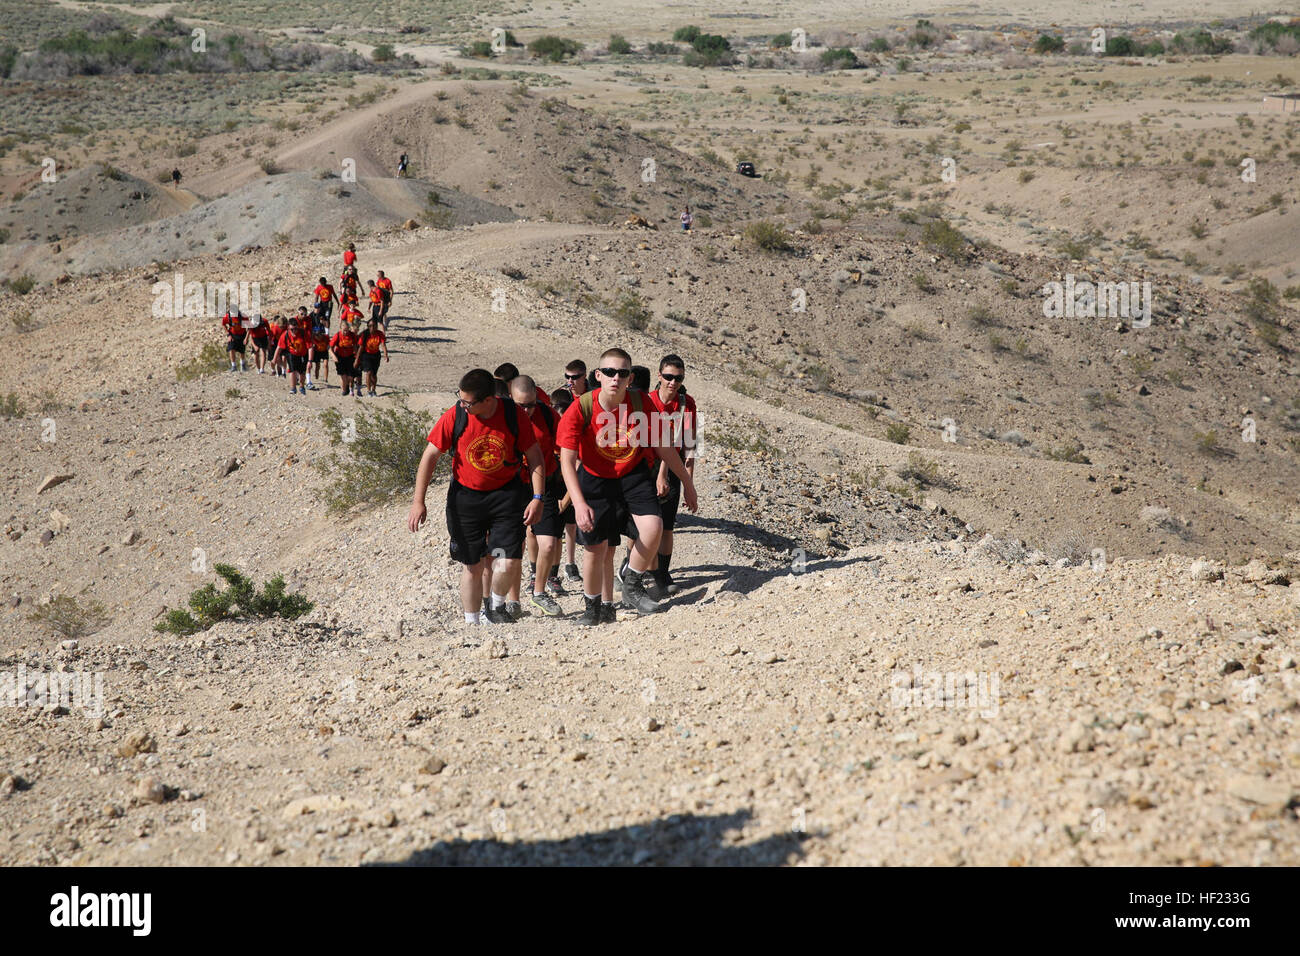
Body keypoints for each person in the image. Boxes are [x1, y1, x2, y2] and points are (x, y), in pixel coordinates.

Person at [557, 348, 698, 626]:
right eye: (609, 372)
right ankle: (596, 608)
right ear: (598, 375)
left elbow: (664, 448)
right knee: (598, 550)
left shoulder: (640, 402)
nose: (615, 378)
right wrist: (579, 502)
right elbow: (567, 460)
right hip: (595, 479)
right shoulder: (581, 407)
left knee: (654, 527)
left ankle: (632, 582)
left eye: (622, 373)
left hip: (632, 475)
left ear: (630, 377)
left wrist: (687, 482)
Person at [407, 369, 546, 625]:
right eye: (460, 398)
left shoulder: (513, 415)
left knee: (505, 560)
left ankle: (496, 606)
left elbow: (535, 455)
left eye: (468, 402)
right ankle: (472, 624)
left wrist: (537, 496)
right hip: (466, 499)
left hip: (506, 496)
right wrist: (419, 501)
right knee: (472, 565)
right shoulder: (456, 415)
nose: (462, 405)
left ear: (488, 400)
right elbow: (429, 456)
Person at [502, 377, 565, 617]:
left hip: (545, 485)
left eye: (530, 405)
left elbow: (565, 448)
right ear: (510, 399)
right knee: (513, 545)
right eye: (520, 405)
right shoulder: (502, 418)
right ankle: (513, 600)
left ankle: (539, 592)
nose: (526, 410)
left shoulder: (548, 416)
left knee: (548, 543)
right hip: (513, 487)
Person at [643, 354, 696, 596]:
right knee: (643, 524)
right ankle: (633, 569)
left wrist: (689, 483)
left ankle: (662, 573)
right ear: (659, 375)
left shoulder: (687, 404)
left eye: (678, 378)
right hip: (646, 468)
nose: (673, 383)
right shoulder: (647, 401)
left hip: (672, 468)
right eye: (668, 377)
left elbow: (690, 444)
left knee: (666, 526)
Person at [273, 315, 312, 395]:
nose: (294, 331)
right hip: (291, 353)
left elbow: (310, 347)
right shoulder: (285, 335)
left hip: (303, 354)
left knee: (302, 373)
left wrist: (310, 361)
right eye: (292, 329)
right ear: (288, 328)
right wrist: (274, 359)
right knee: (292, 370)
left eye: (295, 329)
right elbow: (279, 347)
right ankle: (293, 388)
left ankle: (301, 386)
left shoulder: (303, 333)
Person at [357, 317, 387, 397]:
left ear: (376, 326)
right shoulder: (365, 334)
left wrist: (385, 355)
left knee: (374, 375)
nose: (372, 327)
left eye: (374, 326)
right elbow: (361, 347)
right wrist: (357, 359)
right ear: (368, 326)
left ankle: (374, 390)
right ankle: (368, 391)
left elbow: (383, 344)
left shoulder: (380, 334)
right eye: (370, 326)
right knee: (368, 372)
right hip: (366, 355)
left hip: (376, 355)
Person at [330, 321, 360, 398]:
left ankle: (348, 388)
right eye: (344, 330)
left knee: (350, 376)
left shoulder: (352, 335)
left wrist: (357, 356)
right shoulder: (337, 335)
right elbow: (330, 347)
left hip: (350, 357)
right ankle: (344, 390)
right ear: (340, 329)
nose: (346, 332)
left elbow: (355, 346)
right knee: (343, 375)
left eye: (347, 330)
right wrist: (333, 355)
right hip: (340, 357)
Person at [310, 323, 331, 389]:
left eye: (320, 334)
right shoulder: (313, 338)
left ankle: (325, 379)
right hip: (317, 352)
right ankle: (317, 377)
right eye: (317, 335)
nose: (318, 336)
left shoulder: (326, 338)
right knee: (317, 366)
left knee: (325, 364)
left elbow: (329, 345)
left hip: (324, 351)